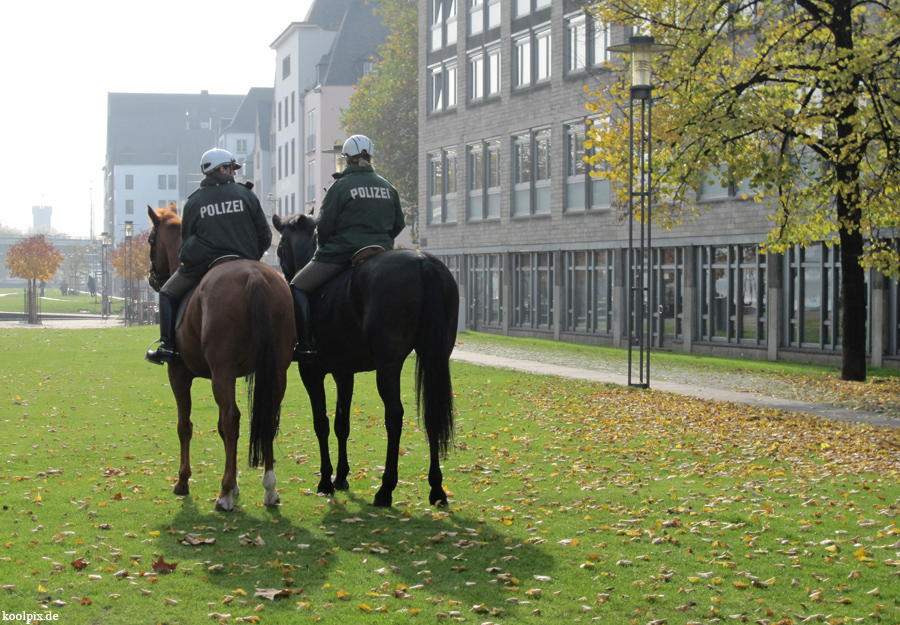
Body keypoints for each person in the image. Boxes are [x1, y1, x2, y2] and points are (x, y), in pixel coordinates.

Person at [145, 148, 272, 365]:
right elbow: (265, 235)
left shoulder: (194, 201)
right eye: (231, 168)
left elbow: (187, 239)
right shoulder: (246, 194)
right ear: (221, 168)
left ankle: (167, 346)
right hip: (246, 259)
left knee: (167, 293)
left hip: (205, 264)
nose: (233, 173)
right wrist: (252, 257)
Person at [289, 134, 406, 363]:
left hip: (342, 253)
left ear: (347, 159)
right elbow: (398, 223)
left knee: (296, 287)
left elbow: (324, 226)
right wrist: (382, 240)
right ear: (369, 157)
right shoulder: (387, 186)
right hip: (381, 250)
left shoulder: (340, 186)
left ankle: (305, 345)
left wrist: (324, 247)